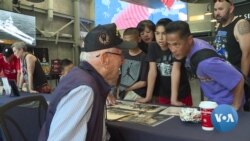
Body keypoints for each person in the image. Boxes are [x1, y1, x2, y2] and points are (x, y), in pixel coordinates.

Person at [38, 23, 135, 141]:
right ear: (105, 58)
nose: (123, 61)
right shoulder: (84, 90)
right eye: (120, 54)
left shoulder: (84, 77)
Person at [166, 21, 244, 110]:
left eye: (176, 44)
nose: (172, 50)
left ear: (189, 40)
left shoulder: (206, 63)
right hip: (214, 102)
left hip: (226, 105)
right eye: (169, 44)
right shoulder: (194, 44)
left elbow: (238, 80)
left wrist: (235, 107)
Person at [137, 18, 192, 106]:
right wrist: (148, 97)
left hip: (181, 93)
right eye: (157, 33)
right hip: (163, 93)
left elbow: (175, 71)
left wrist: (173, 99)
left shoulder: (176, 47)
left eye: (164, 34)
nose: (160, 38)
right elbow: (152, 72)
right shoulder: (153, 46)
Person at [213, 0, 250, 78]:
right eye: (215, 10)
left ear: (231, 9)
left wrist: (243, 81)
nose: (217, 13)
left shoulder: (241, 24)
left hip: (237, 78)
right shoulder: (220, 25)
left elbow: (247, 55)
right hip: (224, 76)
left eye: (220, 9)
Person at [117, 27, 148, 100]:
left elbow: (143, 82)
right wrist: (119, 89)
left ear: (139, 39)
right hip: (122, 90)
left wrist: (127, 89)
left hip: (137, 92)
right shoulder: (123, 54)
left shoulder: (144, 57)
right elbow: (121, 75)